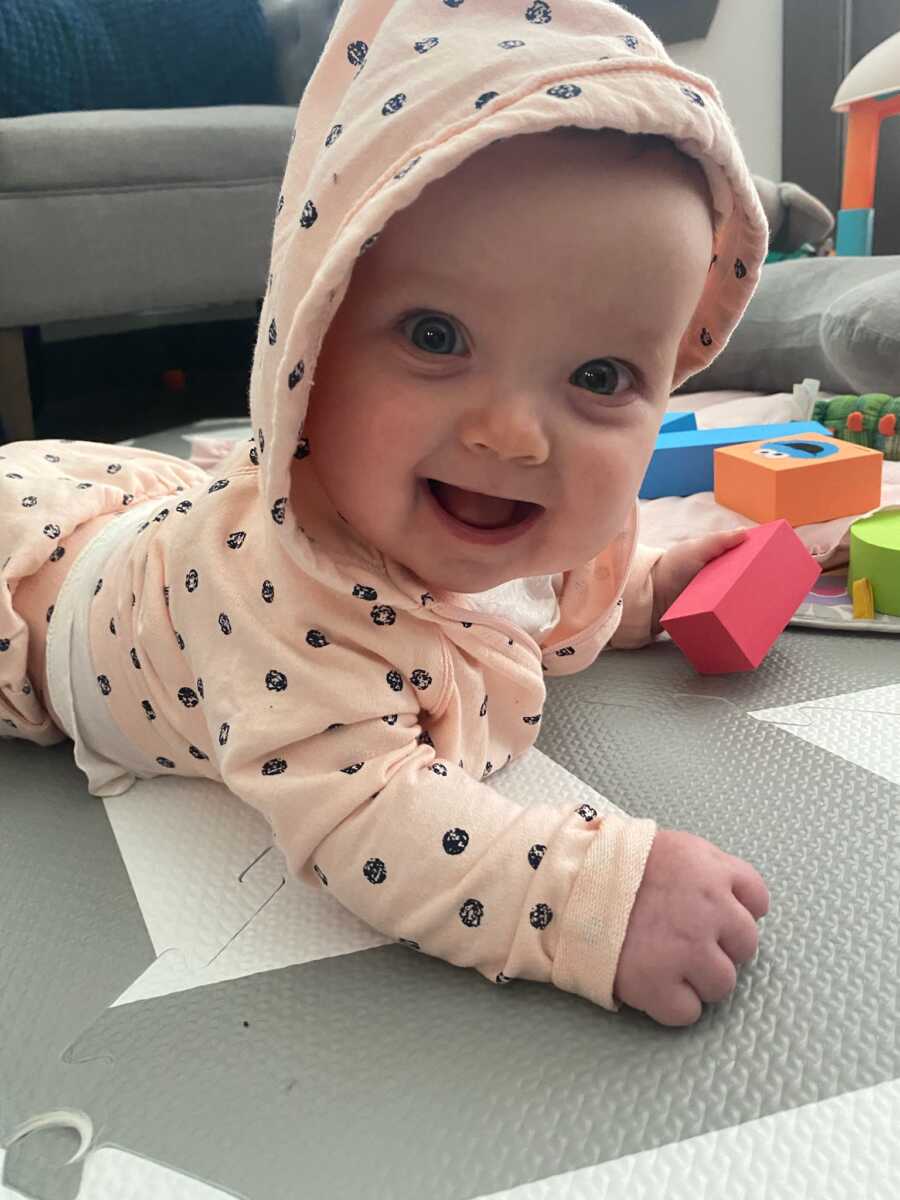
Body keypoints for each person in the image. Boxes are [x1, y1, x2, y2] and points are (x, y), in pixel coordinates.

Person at [0, 0, 771, 1027]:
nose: (512, 435)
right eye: (437, 335)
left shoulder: (484, 504)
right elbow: (369, 818)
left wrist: (644, 591)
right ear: (310, 342)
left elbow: (533, 595)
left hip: (149, 522)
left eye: (598, 374)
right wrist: (583, 897)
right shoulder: (292, 605)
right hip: (41, 590)